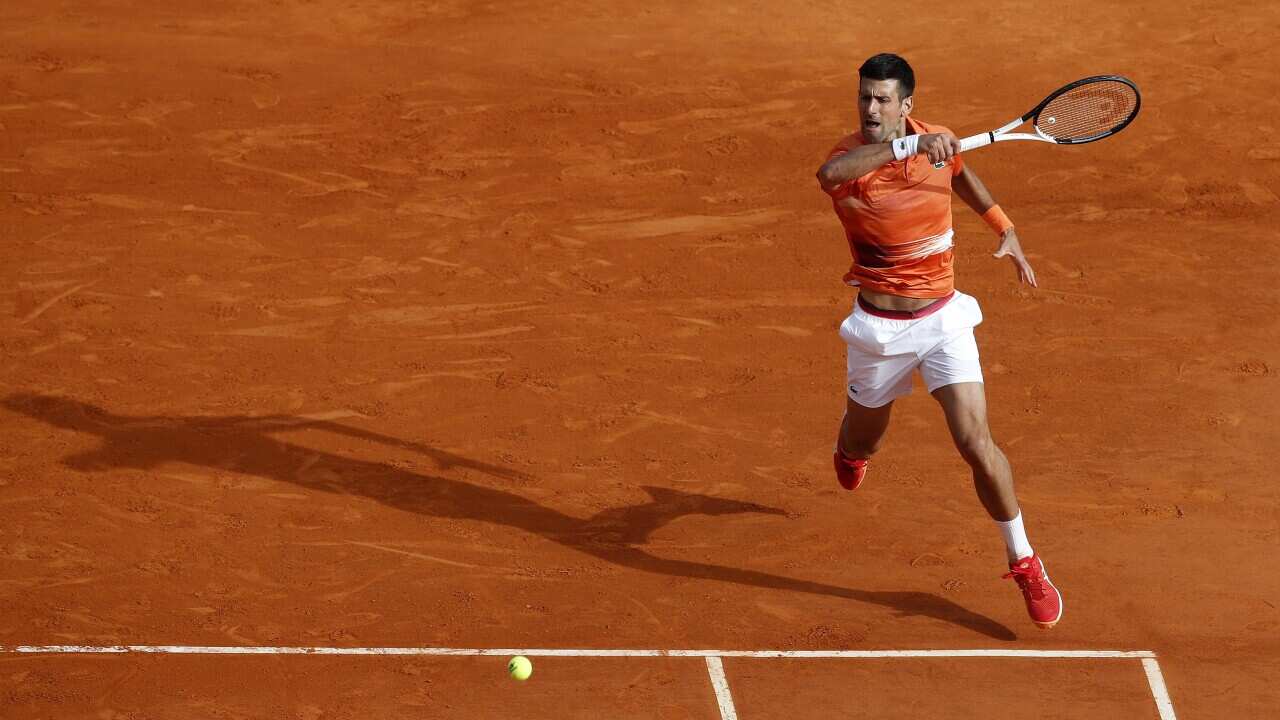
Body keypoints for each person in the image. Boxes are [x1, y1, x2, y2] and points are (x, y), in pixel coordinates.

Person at [816, 53, 1062, 629]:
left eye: (882, 99)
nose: (870, 108)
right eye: (864, 97)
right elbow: (830, 178)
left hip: (943, 321)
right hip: (878, 331)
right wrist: (907, 149)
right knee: (863, 442)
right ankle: (852, 452)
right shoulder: (849, 160)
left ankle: (1024, 560)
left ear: (907, 106)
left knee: (976, 442)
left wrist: (1006, 228)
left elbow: (964, 176)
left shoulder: (942, 143)